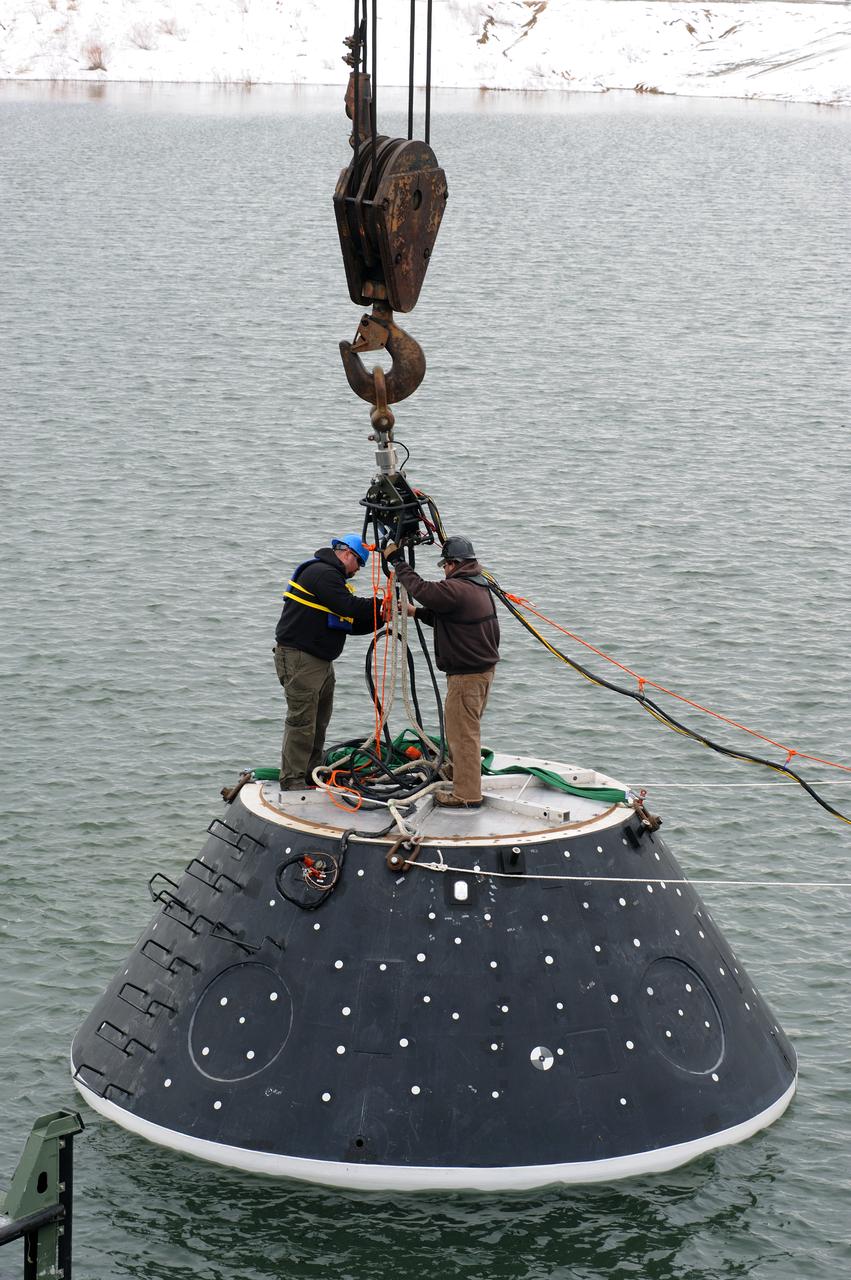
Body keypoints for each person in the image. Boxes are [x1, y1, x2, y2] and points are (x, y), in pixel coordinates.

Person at [384, 535, 500, 808]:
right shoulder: (477, 585)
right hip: (481, 672)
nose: (444, 570)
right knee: (459, 730)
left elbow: (422, 589)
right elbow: (448, 617)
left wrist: (398, 561)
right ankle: (458, 772)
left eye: (444, 565)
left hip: (467, 677)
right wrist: (415, 612)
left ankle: (467, 794)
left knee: (464, 735)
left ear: (453, 563)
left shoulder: (457, 588)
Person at [274, 534, 377, 791]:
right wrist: (380, 604)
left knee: (319, 721)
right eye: (359, 563)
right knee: (302, 721)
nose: (358, 571)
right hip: (301, 659)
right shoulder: (323, 573)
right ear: (347, 554)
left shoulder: (331, 580)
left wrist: (382, 616)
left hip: (318, 661)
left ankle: (311, 773)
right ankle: (292, 780)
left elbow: (349, 623)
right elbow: (348, 606)